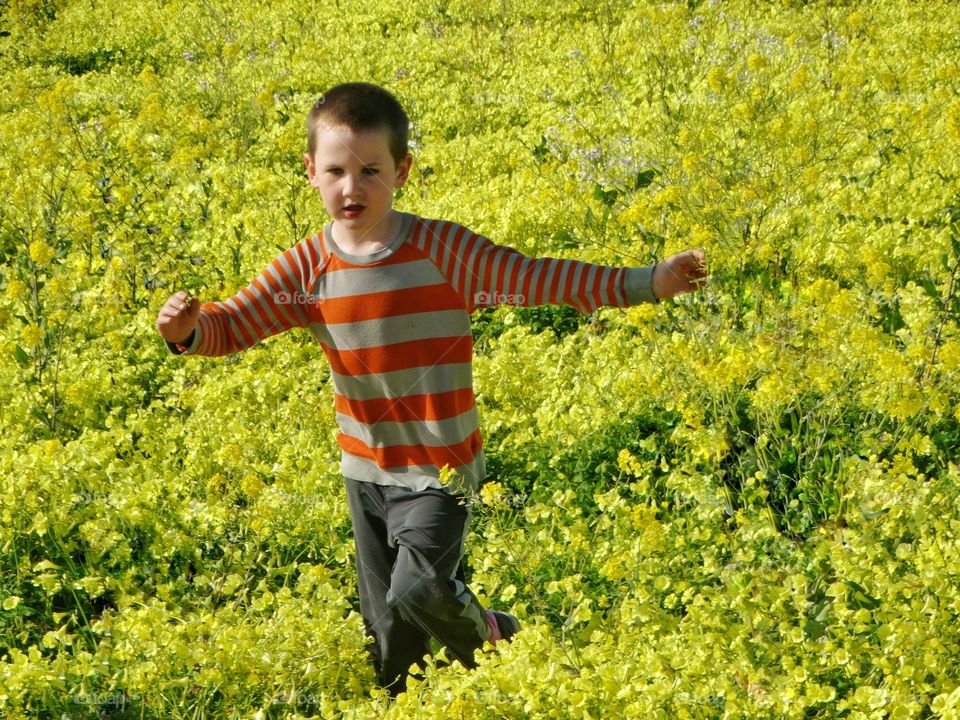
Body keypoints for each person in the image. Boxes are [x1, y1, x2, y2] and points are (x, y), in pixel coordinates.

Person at [155, 81, 707, 696]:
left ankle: (496, 636)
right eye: (336, 170)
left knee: (418, 589)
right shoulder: (307, 268)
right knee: (390, 640)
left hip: (439, 468)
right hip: (364, 470)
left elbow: (537, 278)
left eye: (371, 170)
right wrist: (188, 331)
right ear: (311, 172)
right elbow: (235, 324)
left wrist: (647, 282)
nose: (352, 187)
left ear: (402, 172)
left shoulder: (446, 252)